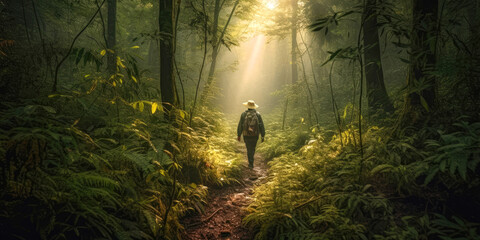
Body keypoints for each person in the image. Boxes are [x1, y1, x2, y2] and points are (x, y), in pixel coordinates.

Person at [237, 100, 265, 169]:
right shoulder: (258, 114)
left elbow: (240, 125)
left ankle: (250, 163)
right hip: (255, 135)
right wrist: (262, 135)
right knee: (252, 148)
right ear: (254, 106)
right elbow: (261, 125)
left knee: (248, 148)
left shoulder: (243, 114)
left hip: (246, 134)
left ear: (247, 106)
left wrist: (239, 134)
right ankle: (251, 162)